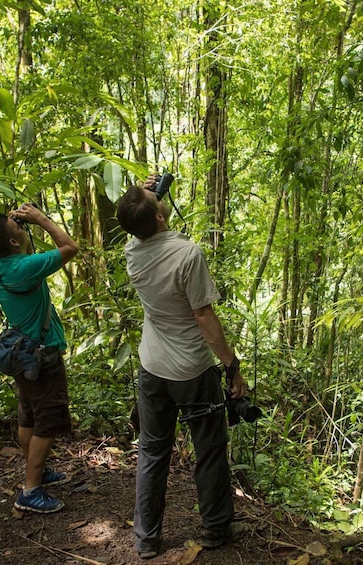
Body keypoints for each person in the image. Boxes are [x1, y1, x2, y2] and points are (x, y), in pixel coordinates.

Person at [116, 177, 249, 559]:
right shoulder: (187, 254)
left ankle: (146, 539)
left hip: (152, 368)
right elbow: (203, 315)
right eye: (154, 200)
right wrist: (232, 366)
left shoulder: (132, 250)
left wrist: (140, 199)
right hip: (192, 370)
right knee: (209, 449)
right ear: (160, 216)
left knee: (152, 451)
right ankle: (216, 528)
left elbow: (137, 222)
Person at [0, 203, 79, 514]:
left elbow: (11, 245)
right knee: (47, 420)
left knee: (29, 415)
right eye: (18, 230)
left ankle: (35, 471)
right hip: (41, 356)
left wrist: (11, 229)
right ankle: (31, 488)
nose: (23, 230)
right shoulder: (25, 268)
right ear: (12, 242)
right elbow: (69, 247)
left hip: (21, 354)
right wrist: (40, 218)